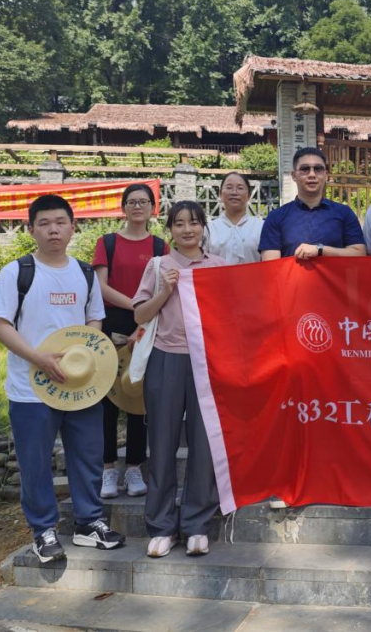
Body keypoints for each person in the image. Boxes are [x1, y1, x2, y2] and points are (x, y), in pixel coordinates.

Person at [0, 194, 125, 563]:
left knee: (88, 456)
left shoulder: (84, 273)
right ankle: (43, 530)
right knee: (35, 462)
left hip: (81, 386)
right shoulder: (17, 273)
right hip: (31, 388)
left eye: (61, 222)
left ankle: (89, 523)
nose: (53, 230)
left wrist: (86, 356)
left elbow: (95, 318)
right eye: (45, 223)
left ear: (72, 227)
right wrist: (38, 359)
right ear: (30, 229)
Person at [133, 200, 227, 558]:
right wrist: (164, 291)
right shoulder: (159, 266)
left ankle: (196, 524)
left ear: (204, 227)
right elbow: (140, 315)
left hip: (208, 362)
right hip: (165, 358)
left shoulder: (218, 267)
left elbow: (232, 315)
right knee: (162, 442)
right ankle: (161, 525)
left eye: (195, 222)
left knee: (204, 443)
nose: (188, 230)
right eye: (180, 224)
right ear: (169, 229)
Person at [92, 183, 167, 500]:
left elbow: (164, 287)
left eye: (144, 202)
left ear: (153, 208)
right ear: (123, 208)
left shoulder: (160, 246)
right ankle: (108, 468)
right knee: (108, 399)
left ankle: (135, 467)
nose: (138, 206)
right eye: (132, 202)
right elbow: (101, 287)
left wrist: (143, 319)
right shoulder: (107, 243)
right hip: (113, 322)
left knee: (138, 396)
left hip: (147, 324)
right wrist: (136, 305)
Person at [259, 147, 366, 262]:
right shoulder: (276, 217)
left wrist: (320, 250)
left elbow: (359, 254)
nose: (312, 174)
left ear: (326, 175)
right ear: (294, 175)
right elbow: (271, 265)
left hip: (333, 275)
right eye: (305, 169)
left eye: (318, 169)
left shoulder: (344, 213)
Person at [207, 172, 264, 265]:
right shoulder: (209, 229)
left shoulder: (261, 227)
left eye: (240, 188)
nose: (234, 192)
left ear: (249, 195)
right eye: (229, 187)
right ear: (220, 194)